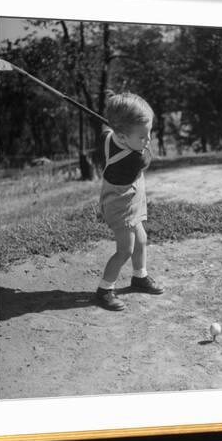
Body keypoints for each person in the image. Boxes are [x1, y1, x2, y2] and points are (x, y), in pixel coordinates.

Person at [96, 92, 164, 311]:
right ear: (123, 137)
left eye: (149, 133)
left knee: (141, 240)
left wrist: (113, 105)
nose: (148, 141)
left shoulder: (109, 137)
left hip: (129, 199)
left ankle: (139, 277)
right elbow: (148, 159)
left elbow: (105, 129)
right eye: (143, 137)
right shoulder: (134, 158)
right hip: (120, 205)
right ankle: (105, 289)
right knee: (125, 249)